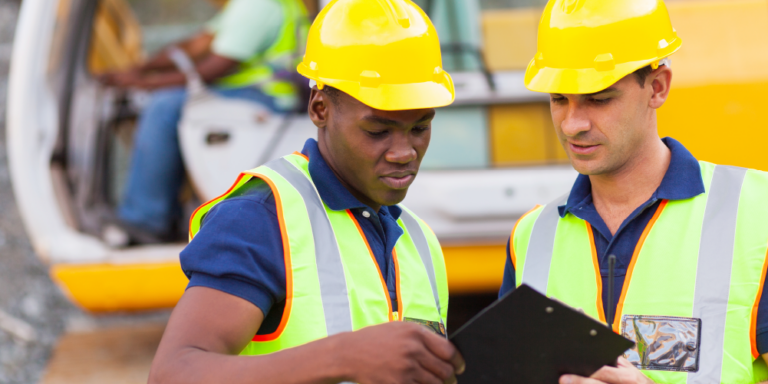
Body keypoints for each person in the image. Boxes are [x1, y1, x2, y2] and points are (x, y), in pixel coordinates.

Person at [147, 1, 465, 383]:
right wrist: (344, 357)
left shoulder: (419, 241)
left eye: (419, 128)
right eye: (378, 131)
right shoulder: (260, 217)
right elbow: (173, 373)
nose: (404, 152)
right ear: (320, 109)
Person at [500, 0, 768, 383]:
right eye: (559, 99)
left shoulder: (759, 215)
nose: (572, 124)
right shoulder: (531, 236)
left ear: (657, 87)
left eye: (599, 98)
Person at [101, 0, 309, 243]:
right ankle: (165, 214)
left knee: (164, 106)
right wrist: (140, 70)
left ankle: (145, 219)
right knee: (170, 102)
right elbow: (196, 44)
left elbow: (215, 67)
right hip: (254, 93)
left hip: (264, 96)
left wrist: (143, 83)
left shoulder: (258, 4)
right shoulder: (248, 6)